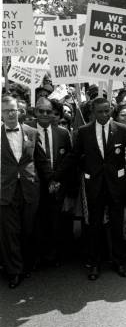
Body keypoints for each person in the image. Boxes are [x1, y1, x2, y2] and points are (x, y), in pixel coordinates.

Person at [55, 97, 126, 280]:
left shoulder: (121, 130)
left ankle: (119, 262)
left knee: (117, 225)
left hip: (116, 187)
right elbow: (73, 157)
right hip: (94, 186)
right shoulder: (84, 132)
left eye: (107, 111)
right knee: (94, 226)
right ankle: (94, 264)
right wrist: (55, 176)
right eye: (100, 111)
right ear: (93, 112)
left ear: (111, 110)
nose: (104, 115)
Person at [1, 95, 55, 288]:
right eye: (5, 111)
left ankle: (26, 264)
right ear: (1, 113)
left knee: (28, 229)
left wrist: (52, 179)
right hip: (6, 191)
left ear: (19, 111)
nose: (9, 114)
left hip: (30, 188)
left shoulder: (31, 132)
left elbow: (41, 160)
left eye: (12, 110)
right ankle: (14, 271)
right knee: (10, 232)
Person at [32, 97, 73, 267]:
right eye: (41, 111)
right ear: (35, 112)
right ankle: (35, 257)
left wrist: (57, 182)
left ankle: (52, 256)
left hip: (57, 187)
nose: (44, 114)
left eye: (48, 111)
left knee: (54, 222)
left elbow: (68, 160)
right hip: (34, 185)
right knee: (35, 223)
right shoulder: (27, 130)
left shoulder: (63, 133)